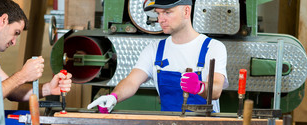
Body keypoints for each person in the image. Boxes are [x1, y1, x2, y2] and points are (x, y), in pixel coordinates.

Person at [88, 0, 228, 113]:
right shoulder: (154, 50)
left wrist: (199, 87)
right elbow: (132, 81)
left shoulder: (214, 48)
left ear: (186, 11)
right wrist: (114, 96)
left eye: (167, 12)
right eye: (158, 13)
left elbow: (216, 90)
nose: (161, 19)